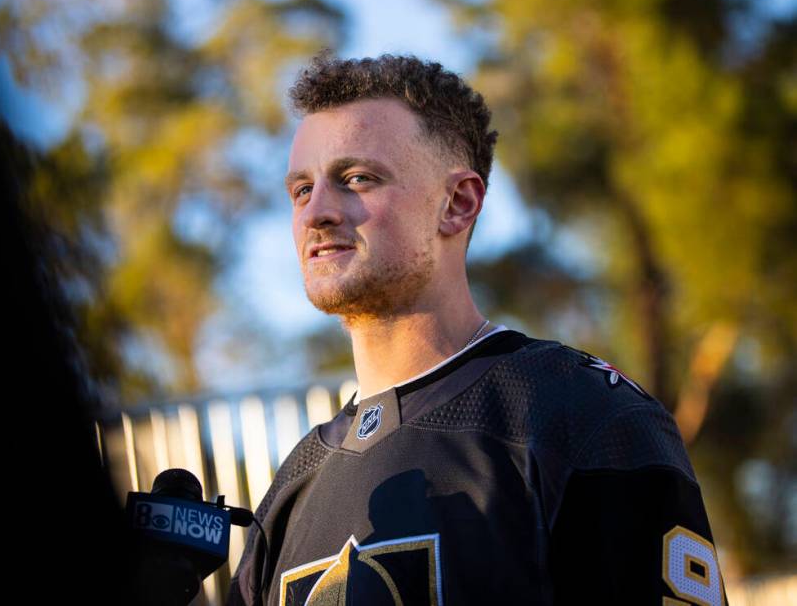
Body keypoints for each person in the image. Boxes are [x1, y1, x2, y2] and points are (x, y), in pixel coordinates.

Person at [226, 53, 726, 606]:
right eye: (301, 189)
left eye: (356, 178)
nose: (315, 211)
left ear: (458, 204)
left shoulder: (578, 416)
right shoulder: (293, 485)